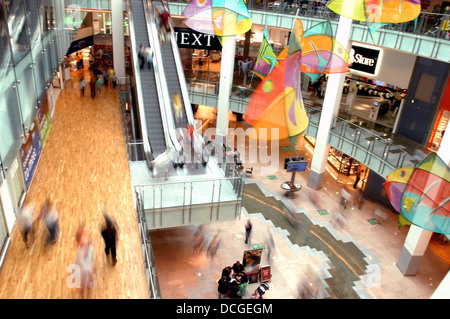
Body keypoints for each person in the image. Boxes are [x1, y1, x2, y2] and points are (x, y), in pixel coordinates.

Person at [75, 231, 96, 299]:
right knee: (83, 283)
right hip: (84, 271)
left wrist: (93, 265)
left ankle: (89, 285)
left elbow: (93, 256)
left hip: (88, 269)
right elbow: (77, 262)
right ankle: (84, 294)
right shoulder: (80, 252)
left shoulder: (89, 248)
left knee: (89, 278)